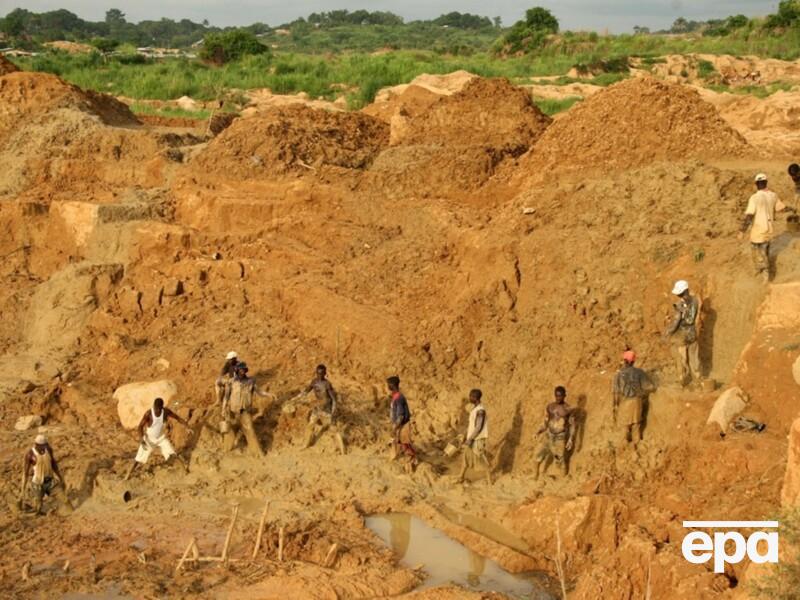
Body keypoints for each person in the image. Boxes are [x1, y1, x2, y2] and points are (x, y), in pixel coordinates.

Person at [739, 173, 795, 282]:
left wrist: (742, 231)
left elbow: (749, 215)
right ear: (766, 183)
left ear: (756, 184)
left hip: (758, 232)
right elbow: (781, 209)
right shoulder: (773, 196)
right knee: (765, 252)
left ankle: (764, 277)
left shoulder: (754, 198)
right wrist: (792, 209)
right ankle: (765, 272)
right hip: (769, 230)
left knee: (758, 255)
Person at [125, 397, 192, 480]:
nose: (156, 410)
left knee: (172, 452)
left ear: (161, 408)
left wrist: (187, 426)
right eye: (155, 408)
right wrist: (142, 439)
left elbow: (177, 418)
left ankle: (185, 470)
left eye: (158, 409)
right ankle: (128, 475)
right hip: (149, 439)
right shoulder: (149, 414)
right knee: (139, 458)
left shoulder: (165, 412)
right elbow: (140, 427)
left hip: (161, 438)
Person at [222, 362, 266, 456]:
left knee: (250, 430)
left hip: (245, 412)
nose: (242, 371)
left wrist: (268, 394)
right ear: (237, 371)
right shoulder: (231, 382)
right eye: (240, 369)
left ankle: (257, 452)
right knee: (230, 431)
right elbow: (226, 396)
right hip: (233, 411)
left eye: (243, 369)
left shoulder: (251, 381)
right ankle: (226, 449)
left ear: (246, 370)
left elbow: (259, 392)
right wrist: (223, 408)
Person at [20, 434, 72, 515]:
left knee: (65, 500)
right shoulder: (30, 454)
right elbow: (25, 473)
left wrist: (60, 478)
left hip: (50, 482)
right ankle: (30, 511)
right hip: (37, 484)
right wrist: (22, 490)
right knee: (38, 508)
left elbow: (53, 464)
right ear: (37, 445)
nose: (45, 446)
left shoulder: (48, 450)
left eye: (45, 444)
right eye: (43, 445)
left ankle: (72, 514)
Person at [612, 350, 655, 445]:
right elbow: (650, 387)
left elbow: (615, 393)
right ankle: (638, 447)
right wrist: (642, 393)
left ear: (624, 360)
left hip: (623, 403)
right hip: (636, 402)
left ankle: (625, 450)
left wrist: (615, 407)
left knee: (625, 428)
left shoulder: (618, 375)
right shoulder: (639, 372)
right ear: (633, 361)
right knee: (636, 426)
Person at [664, 280, 702, 386]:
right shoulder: (695, 300)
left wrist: (668, 332)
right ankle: (698, 379)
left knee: (682, 358)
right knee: (694, 357)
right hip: (692, 332)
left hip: (682, 334)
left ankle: (683, 380)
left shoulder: (679, 305)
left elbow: (676, 322)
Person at [302, 364, 346, 454]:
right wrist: (297, 399)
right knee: (310, 425)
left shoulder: (327, 384)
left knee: (334, 430)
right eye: (318, 373)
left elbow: (334, 399)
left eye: (321, 374)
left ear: (325, 373)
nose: (319, 376)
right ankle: (306, 444)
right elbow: (306, 391)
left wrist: (333, 411)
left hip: (327, 410)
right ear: (316, 373)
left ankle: (343, 449)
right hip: (317, 408)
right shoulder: (314, 382)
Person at [534, 386, 576, 479]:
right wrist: (538, 431)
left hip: (560, 437)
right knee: (538, 454)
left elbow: (572, 425)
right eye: (556, 395)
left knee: (560, 459)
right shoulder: (550, 407)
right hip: (548, 435)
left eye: (560, 396)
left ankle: (563, 479)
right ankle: (535, 475)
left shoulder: (568, 409)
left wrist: (570, 439)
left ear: (564, 396)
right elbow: (545, 422)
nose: (558, 398)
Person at [456, 389, 492, 485]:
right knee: (465, 458)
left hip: (477, 440)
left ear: (475, 398)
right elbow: (471, 425)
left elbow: (478, 427)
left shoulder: (480, 410)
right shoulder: (475, 409)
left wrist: (470, 439)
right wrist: (464, 435)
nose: (469, 398)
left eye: (471, 396)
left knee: (482, 460)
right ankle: (460, 477)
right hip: (471, 438)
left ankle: (489, 481)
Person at [388, 375, 417, 468]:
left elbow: (400, 416)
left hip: (403, 425)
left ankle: (413, 460)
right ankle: (398, 457)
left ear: (392, 385)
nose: (387, 386)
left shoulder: (399, 398)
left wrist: (395, 427)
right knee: (399, 442)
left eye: (388, 384)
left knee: (405, 443)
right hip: (399, 424)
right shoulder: (395, 396)